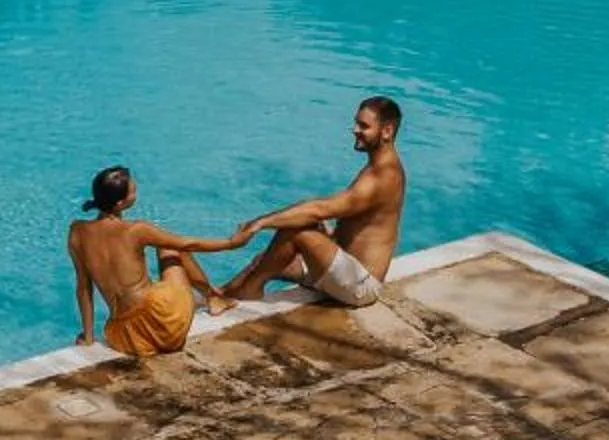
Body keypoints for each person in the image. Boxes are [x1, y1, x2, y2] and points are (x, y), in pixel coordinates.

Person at [221, 96, 406, 309]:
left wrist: (259, 224)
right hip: (345, 268)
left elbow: (320, 209)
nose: (355, 129)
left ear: (387, 131)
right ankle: (220, 293)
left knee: (297, 228)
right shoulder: (378, 168)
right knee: (264, 260)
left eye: (363, 125)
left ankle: (248, 291)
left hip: (361, 285)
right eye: (356, 122)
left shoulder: (382, 177)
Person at [66, 166, 251, 357]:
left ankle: (212, 297)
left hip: (127, 337)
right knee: (172, 246)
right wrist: (231, 243)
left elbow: (84, 287)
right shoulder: (136, 230)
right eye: (134, 190)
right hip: (164, 323)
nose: (136, 193)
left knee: (165, 249)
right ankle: (213, 298)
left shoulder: (77, 233)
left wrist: (88, 337)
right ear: (121, 203)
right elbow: (189, 242)